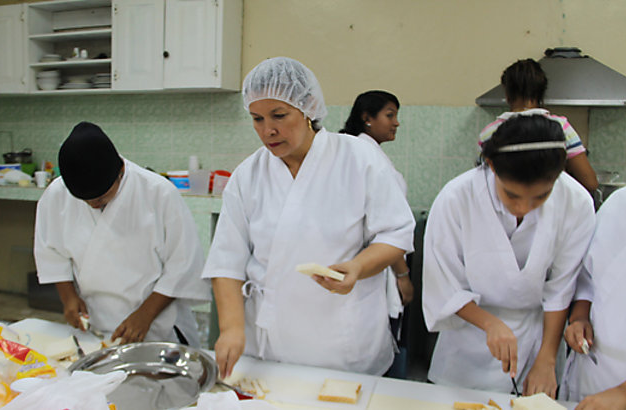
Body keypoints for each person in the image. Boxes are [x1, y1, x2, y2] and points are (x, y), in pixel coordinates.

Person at [203, 57, 415, 378]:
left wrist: (358, 267)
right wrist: (231, 328)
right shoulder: (249, 175)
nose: (267, 130)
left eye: (279, 115)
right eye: (257, 119)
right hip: (270, 343)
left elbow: (395, 234)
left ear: (309, 107)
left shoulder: (357, 157)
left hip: (341, 341)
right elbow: (226, 260)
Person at [423, 114, 595, 397]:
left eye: (541, 196)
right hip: (468, 337)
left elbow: (561, 287)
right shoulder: (457, 198)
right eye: (512, 195)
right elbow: (444, 284)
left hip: (539, 337)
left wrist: (547, 358)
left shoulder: (574, 202)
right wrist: (489, 323)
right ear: (491, 166)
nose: (524, 207)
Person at [34, 121, 210, 346]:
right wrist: (69, 298)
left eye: (100, 199)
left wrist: (145, 315)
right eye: (84, 200)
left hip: (157, 326)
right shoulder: (56, 195)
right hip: (95, 327)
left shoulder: (157, 193)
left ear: (121, 171)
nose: (93, 206)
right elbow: (52, 253)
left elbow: (183, 265)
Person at [560, 103, 626, 409]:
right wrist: (580, 316)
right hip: (593, 376)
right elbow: (589, 277)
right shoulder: (620, 205)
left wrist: (625, 395)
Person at [341, 90, 413, 377]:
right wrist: (402, 275)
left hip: (366, 268)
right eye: (390, 115)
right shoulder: (364, 155)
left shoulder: (364, 152)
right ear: (366, 118)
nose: (396, 123)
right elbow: (383, 230)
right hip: (371, 266)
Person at [478, 58, 599, 193]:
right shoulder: (561, 127)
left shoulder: (489, 133)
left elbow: (486, 185)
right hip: (551, 208)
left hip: (506, 210)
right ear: (541, 93)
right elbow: (590, 183)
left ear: (507, 94)